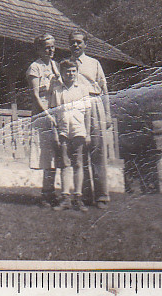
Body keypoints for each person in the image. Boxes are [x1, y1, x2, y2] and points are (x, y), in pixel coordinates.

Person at [69, 29, 112, 208]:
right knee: (80, 153)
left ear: (85, 44)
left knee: (97, 151)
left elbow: (104, 88)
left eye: (79, 42)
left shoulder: (94, 63)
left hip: (94, 106)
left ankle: (102, 196)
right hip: (76, 108)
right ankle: (85, 196)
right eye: (73, 42)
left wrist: (108, 114)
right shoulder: (65, 64)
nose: (76, 45)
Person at [50, 59, 91, 212]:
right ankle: (66, 197)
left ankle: (78, 198)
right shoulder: (57, 90)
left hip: (79, 130)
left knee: (78, 163)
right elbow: (53, 114)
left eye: (73, 71)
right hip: (63, 130)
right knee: (65, 164)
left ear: (77, 72)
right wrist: (55, 133)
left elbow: (87, 113)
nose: (71, 74)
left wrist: (86, 133)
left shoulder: (82, 89)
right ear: (62, 73)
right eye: (67, 71)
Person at [26, 33, 60, 207]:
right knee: (46, 153)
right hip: (43, 113)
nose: (51, 50)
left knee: (56, 153)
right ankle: (46, 194)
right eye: (47, 47)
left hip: (57, 111)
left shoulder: (55, 66)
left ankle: (52, 191)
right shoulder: (35, 68)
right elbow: (35, 95)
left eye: (53, 46)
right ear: (39, 49)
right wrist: (47, 113)